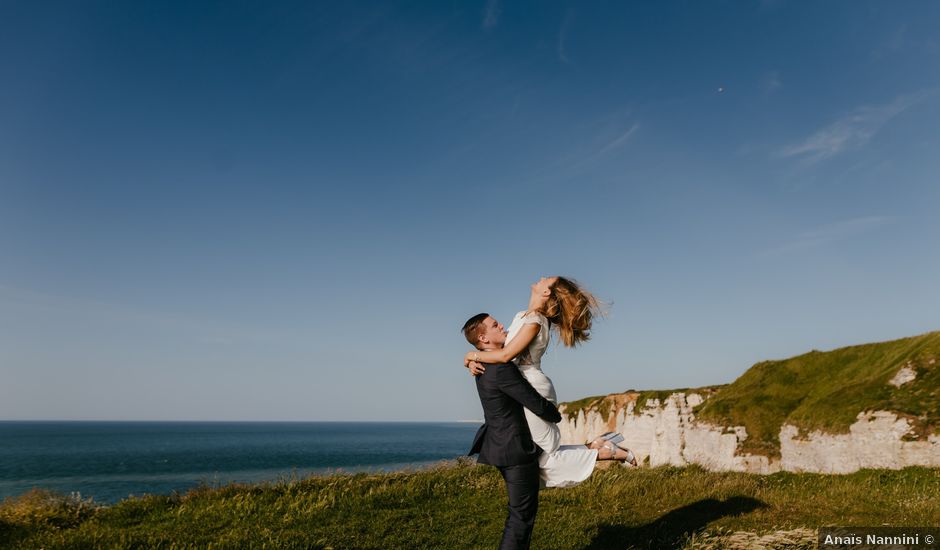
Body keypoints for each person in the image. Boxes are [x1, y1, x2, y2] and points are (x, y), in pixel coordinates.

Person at [464, 277, 636, 489]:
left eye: (546, 281)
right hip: (520, 383)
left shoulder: (535, 321)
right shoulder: (522, 316)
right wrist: (473, 359)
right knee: (538, 453)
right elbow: (495, 349)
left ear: (546, 293)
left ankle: (607, 453)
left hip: (532, 385)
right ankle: (594, 447)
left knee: (542, 453)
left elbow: (505, 355)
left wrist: (472, 355)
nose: (541, 279)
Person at [463, 313, 562, 550]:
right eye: (495, 325)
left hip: (499, 446)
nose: (502, 325)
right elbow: (533, 401)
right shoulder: (500, 368)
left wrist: (469, 357)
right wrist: (555, 415)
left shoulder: (484, 362)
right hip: (515, 451)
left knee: (519, 515)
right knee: (521, 518)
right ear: (484, 338)